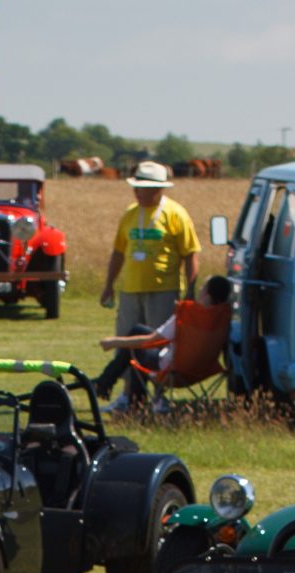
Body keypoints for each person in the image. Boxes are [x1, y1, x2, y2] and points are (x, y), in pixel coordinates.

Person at [96, 161, 200, 414]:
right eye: (136, 187)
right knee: (127, 343)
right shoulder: (129, 215)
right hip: (130, 291)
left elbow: (191, 253)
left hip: (163, 291)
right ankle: (127, 396)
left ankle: (159, 397)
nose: (137, 193)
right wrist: (109, 284)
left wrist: (191, 290)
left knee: (158, 347)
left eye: (142, 188)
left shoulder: (176, 214)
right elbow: (118, 252)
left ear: (158, 190)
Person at [96, 275, 232, 410]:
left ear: (206, 295)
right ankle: (107, 383)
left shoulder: (188, 314)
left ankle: (120, 393)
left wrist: (113, 342)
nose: (199, 289)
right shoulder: (224, 318)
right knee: (139, 331)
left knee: (136, 345)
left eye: (202, 287)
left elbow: (151, 340)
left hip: (173, 370)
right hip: (201, 370)